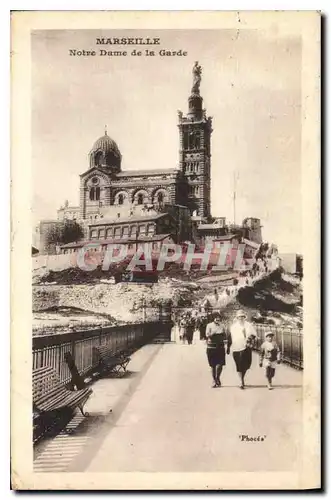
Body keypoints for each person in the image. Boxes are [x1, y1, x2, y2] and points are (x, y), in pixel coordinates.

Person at [228, 309, 257, 389]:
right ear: (237, 318)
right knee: (239, 364)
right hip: (236, 347)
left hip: (246, 347)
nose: (241, 318)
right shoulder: (233, 327)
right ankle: (241, 381)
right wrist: (228, 347)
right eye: (239, 317)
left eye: (242, 317)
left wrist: (250, 339)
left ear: (244, 317)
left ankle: (242, 378)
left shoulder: (249, 325)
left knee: (247, 364)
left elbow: (254, 334)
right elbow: (230, 337)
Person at [205, 313, 229, 388]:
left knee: (220, 364)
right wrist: (213, 332)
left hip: (220, 347)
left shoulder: (222, 325)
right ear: (213, 318)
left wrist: (225, 335)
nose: (218, 319)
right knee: (213, 365)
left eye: (219, 318)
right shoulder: (209, 325)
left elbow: (226, 335)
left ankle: (217, 377)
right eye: (216, 318)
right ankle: (214, 380)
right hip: (211, 347)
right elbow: (207, 335)